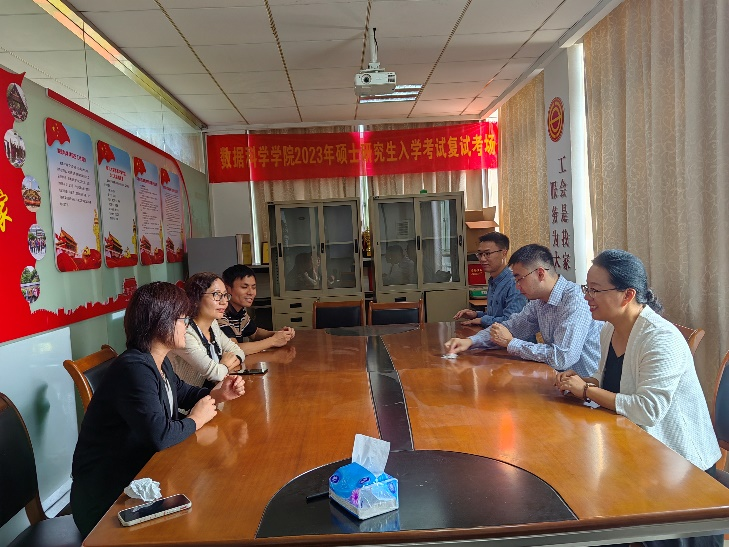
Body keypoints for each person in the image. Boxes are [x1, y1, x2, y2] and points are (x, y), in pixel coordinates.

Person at [556, 249, 722, 547]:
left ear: (627, 295)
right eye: (586, 288)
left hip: (679, 461)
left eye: (595, 290)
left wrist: (587, 390)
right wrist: (582, 382)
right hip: (635, 447)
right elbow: (612, 380)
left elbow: (647, 410)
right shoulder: (610, 328)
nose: (587, 297)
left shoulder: (660, 337)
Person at [70, 282, 245, 537]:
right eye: (182, 319)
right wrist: (196, 419)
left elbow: (182, 393)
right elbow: (160, 436)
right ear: (160, 322)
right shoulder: (135, 368)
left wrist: (217, 394)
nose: (187, 326)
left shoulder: (158, 361)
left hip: (139, 478)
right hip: (107, 500)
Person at [445, 244, 602, 378]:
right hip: (559, 380)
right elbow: (511, 326)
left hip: (586, 389)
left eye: (519, 279)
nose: (517, 286)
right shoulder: (539, 302)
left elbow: (562, 358)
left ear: (540, 273)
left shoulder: (575, 300)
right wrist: (471, 341)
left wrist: (511, 343)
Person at [169, 272, 246, 388]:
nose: (224, 302)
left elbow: (238, 351)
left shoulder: (212, 324)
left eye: (225, 295)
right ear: (195, 299)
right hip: (188, 398)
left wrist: (222, 367)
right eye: (216, 294)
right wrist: (224, 365)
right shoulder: (185, 331)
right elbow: (215, 374)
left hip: (210, 392)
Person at [453, 232, 527, 328]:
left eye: (487, 254)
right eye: (480, 254)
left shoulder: (514, 282)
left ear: (504, 253)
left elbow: (512, 321)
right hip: (495, 334)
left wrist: (482, 320)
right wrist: (475, 315)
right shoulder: (493, 280)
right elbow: (494, 316)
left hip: (512, 337)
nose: (482, 259)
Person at [219, 264, 295, 354]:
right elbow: (233, 349)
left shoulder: (240, 312)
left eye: (253, 287)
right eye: (244, 287)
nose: (251, 292)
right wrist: (273, 340)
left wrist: (279, 334)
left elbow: (255, 333)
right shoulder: (220, 313)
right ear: (227, 289)